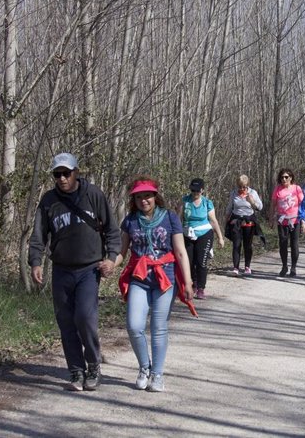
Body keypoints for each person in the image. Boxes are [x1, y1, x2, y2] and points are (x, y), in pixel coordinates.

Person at [28, 153, 121, 392]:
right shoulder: (49, 200)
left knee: (85, 318)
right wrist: (35, 262)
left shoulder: (93, 195)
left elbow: (112, 230)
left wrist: (111, 258)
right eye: (57, 174)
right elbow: (39, 234)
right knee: (66, 322)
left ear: (76, 172)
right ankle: (76, 370)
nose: (61, 179)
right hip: (61, 270)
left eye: (66, 173)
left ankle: (93, 364)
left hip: (89, 269)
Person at [114, 177, 194, 392]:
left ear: (155, 196)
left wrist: (187, 281)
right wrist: (109, 264)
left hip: (164, 277)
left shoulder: (170, 218)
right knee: (134, 326)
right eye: (139, 197)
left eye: (147, 195)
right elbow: (122, 252)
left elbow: (180, 251)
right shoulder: (130, 221)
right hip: (139, 277)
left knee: (159, 327)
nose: (144, 200)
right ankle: (144, 367)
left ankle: (157, 374)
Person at [179, 178, 225, 300]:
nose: (195, 193)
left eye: (198, 191)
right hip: (188, 234)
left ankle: (201, 288)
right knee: (188, 262)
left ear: (202, 190)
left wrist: (220, 237)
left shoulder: (207, 203)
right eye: (193, 190)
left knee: (201, 262)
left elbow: (213, 221)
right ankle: (193, 284)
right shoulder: (185, 201)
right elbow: (179, 219)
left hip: (204, 234)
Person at [225, 175, 263, 276]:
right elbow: (229, 207)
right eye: (240, 186)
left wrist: (252, 201)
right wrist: (227, 219)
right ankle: (236, 268)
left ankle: (247, 267)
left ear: (247, 185)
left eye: (244, 186)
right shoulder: (234, 193)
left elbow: (260, 207)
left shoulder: (253, 193)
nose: (242, 189)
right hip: (236, 221)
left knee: (248, 245)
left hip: (248, 221)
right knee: (236, 244)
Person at [271, 168, 304, 277]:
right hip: (282, 220)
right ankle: (284, 266)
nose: (284, 179)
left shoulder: (296, 188)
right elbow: (273, 204)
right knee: (283, 244)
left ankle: (293, 267)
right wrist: (271, 218)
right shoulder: (278, 189)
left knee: (294, 245)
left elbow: (302, 203)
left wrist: (304, 220)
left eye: (286, 177)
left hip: (295, 220)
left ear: (291, 178)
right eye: (282, 177)